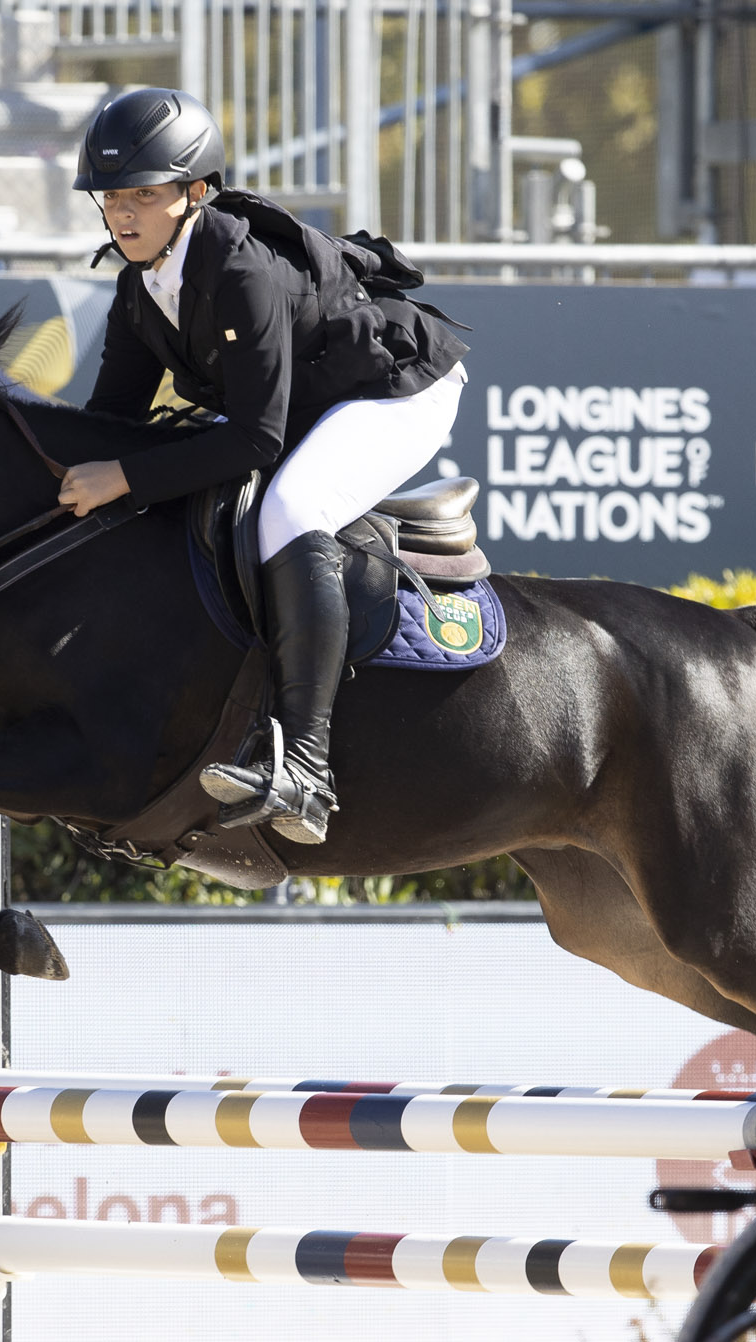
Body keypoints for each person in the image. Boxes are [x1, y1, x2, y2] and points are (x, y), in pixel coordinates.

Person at [62, 88, 470, 847]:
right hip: (311, 400)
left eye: (143, 195)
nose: (123, 215)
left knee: (293, 507)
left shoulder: (241, 270)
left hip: (397, 390)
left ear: (195, 192)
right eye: (113, 197)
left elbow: (255, 440)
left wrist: (124, 477)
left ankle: (307, 770)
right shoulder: (139, 288)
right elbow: (109, 426)